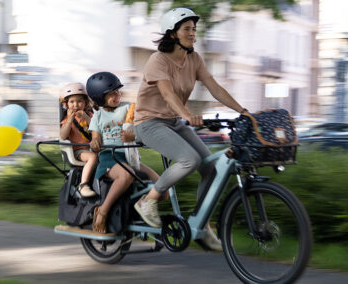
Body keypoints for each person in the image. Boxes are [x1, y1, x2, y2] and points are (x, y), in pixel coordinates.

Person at [133, 7, 249, 251]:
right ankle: (149, 201)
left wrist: (243, 111)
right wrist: (187, 115)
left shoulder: (194, 59)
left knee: (212, 168)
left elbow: (214, 87)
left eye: (194, 29)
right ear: (173, 33)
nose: (192, 33)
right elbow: (167, 93)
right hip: (149, 122)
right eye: (187, 29)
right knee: (190, 160)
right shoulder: (158, 60)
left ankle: (201, 224)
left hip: (174, 122)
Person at [86, 71, 161, 234]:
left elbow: (142, 127)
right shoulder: (97, 116)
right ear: (99, 97)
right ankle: (103, 211)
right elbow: (95, 137)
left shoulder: (128, 108)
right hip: (109, 158)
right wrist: (95, 141)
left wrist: (132, 135)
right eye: (111, 93)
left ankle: (142, 204)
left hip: (129, 156)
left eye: (118, 91)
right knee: (126, 175)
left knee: (162, 185)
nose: (117, 95)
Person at [60, 82, 97, 198]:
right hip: (78, 151)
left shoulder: (90, 116)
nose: (76, 105)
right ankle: (83, 185)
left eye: (79, 101)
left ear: (85, 103)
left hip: (93, 148)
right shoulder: (67, 120)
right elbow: (63, 136)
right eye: (72, 102)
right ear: (66, 104)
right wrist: (70, 120)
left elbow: (97, 129)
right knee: (92, 157)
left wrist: (86, 117)